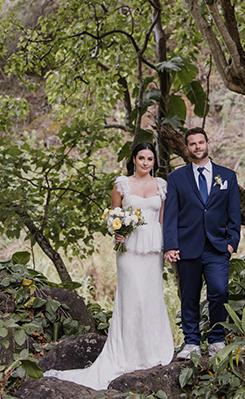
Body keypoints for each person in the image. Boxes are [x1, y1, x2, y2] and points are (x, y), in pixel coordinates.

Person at [44, 142, 174, 390]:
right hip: (129, 251)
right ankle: (126, 353)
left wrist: (166, 246)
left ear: (154, 161)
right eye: (141, 158)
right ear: (133, 160)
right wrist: (117, 231)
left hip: (152, 249)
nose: (146, 163)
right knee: (132, 297)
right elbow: (114, 217)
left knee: (151, 296)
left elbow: (162, 220)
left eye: (150, 159)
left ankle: (152, 350)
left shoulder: (162, 185)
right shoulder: (122, 184)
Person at [163, 127, 241, 359]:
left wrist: (232, 242)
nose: (197, 147)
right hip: (187, 247)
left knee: (219, 290)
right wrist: (170, 245)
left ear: (208, 143)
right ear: (186, 149)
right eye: (192, 144)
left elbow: (234, 213)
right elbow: (171, 215)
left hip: (218, 247)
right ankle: (191, 342)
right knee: (189, 295)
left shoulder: (227, 176)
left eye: (201, 142)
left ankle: (216, 338)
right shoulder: (176, 178)